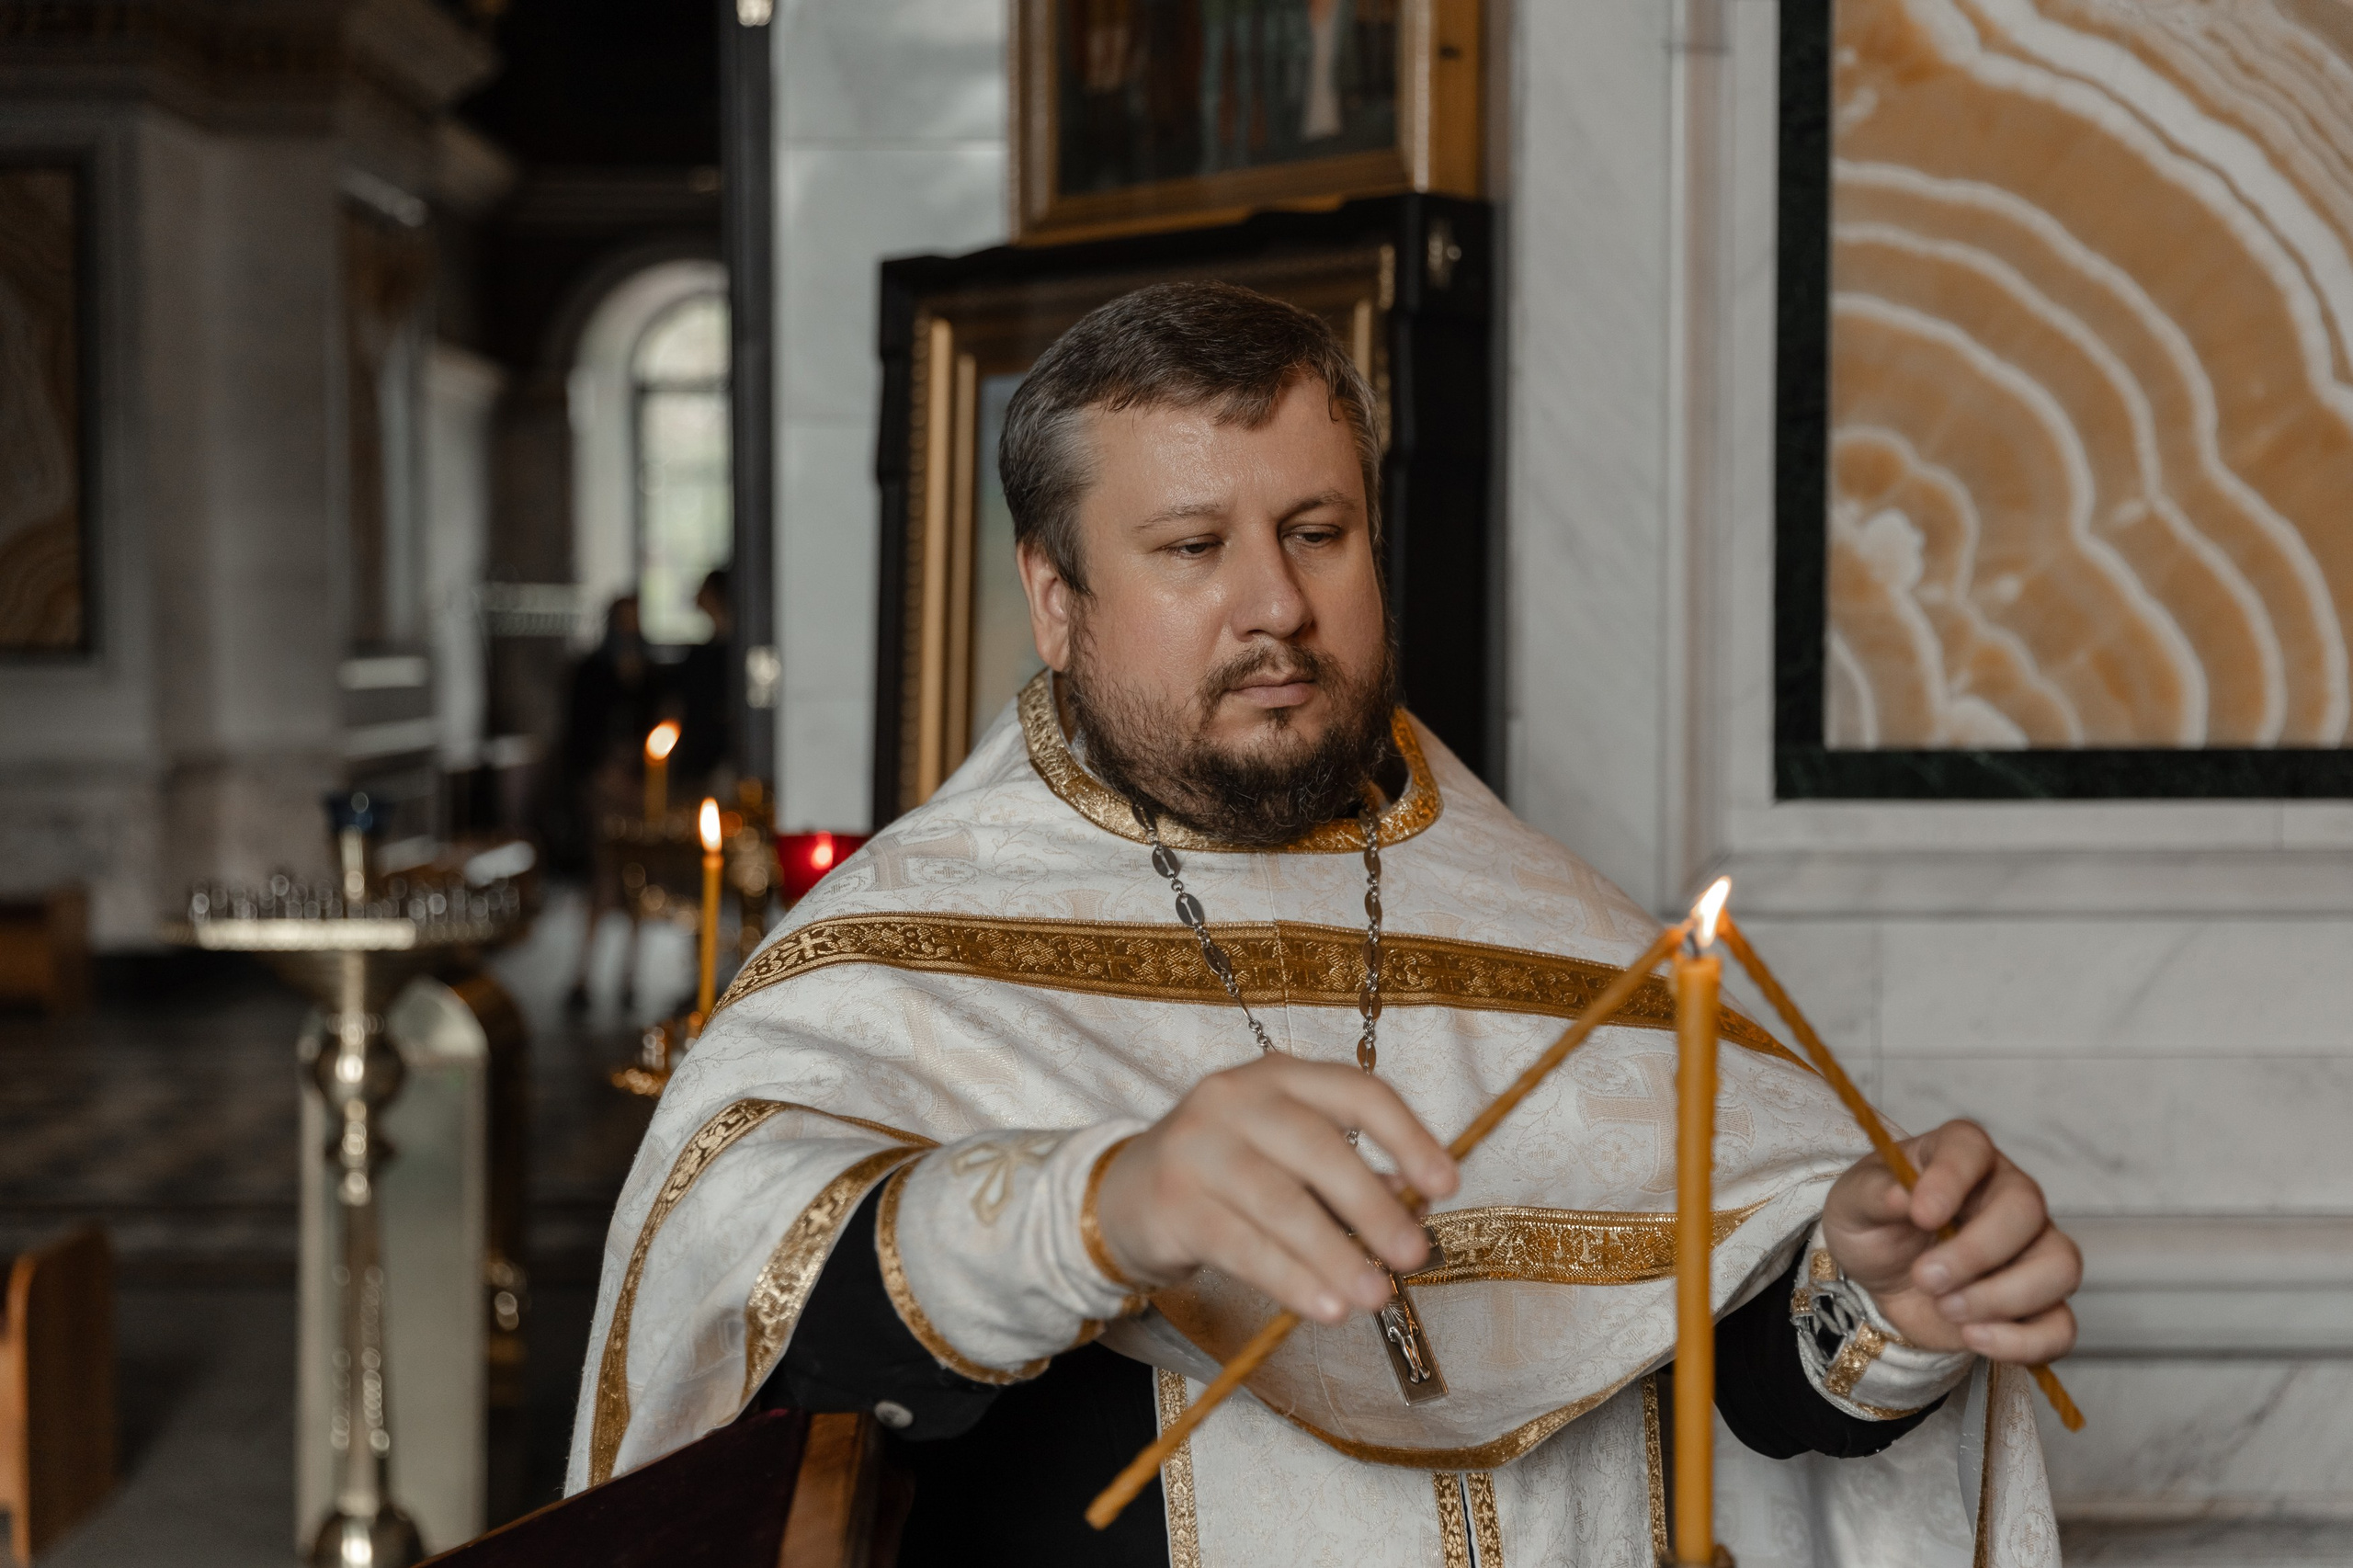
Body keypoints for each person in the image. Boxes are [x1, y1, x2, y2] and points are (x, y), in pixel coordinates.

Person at [570, 285, 2079, 1565]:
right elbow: (758, 1322)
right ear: (1056, 597)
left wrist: (1878, 1301)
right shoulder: (912, 938)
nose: (1276, 605)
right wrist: (1104, 1204)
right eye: (1191, 547)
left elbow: (1735, 1390)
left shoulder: (1549, 919)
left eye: (1317, 530)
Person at [562, 595, 658, 1011]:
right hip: (602, 790)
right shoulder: (591, 672)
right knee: (603, 878)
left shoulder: (650, 675)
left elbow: (658, 733)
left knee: (638, 880)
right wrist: (603, 775)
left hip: (639, 792)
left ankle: (629, 974)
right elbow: (578, 736)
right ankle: (583, 974)